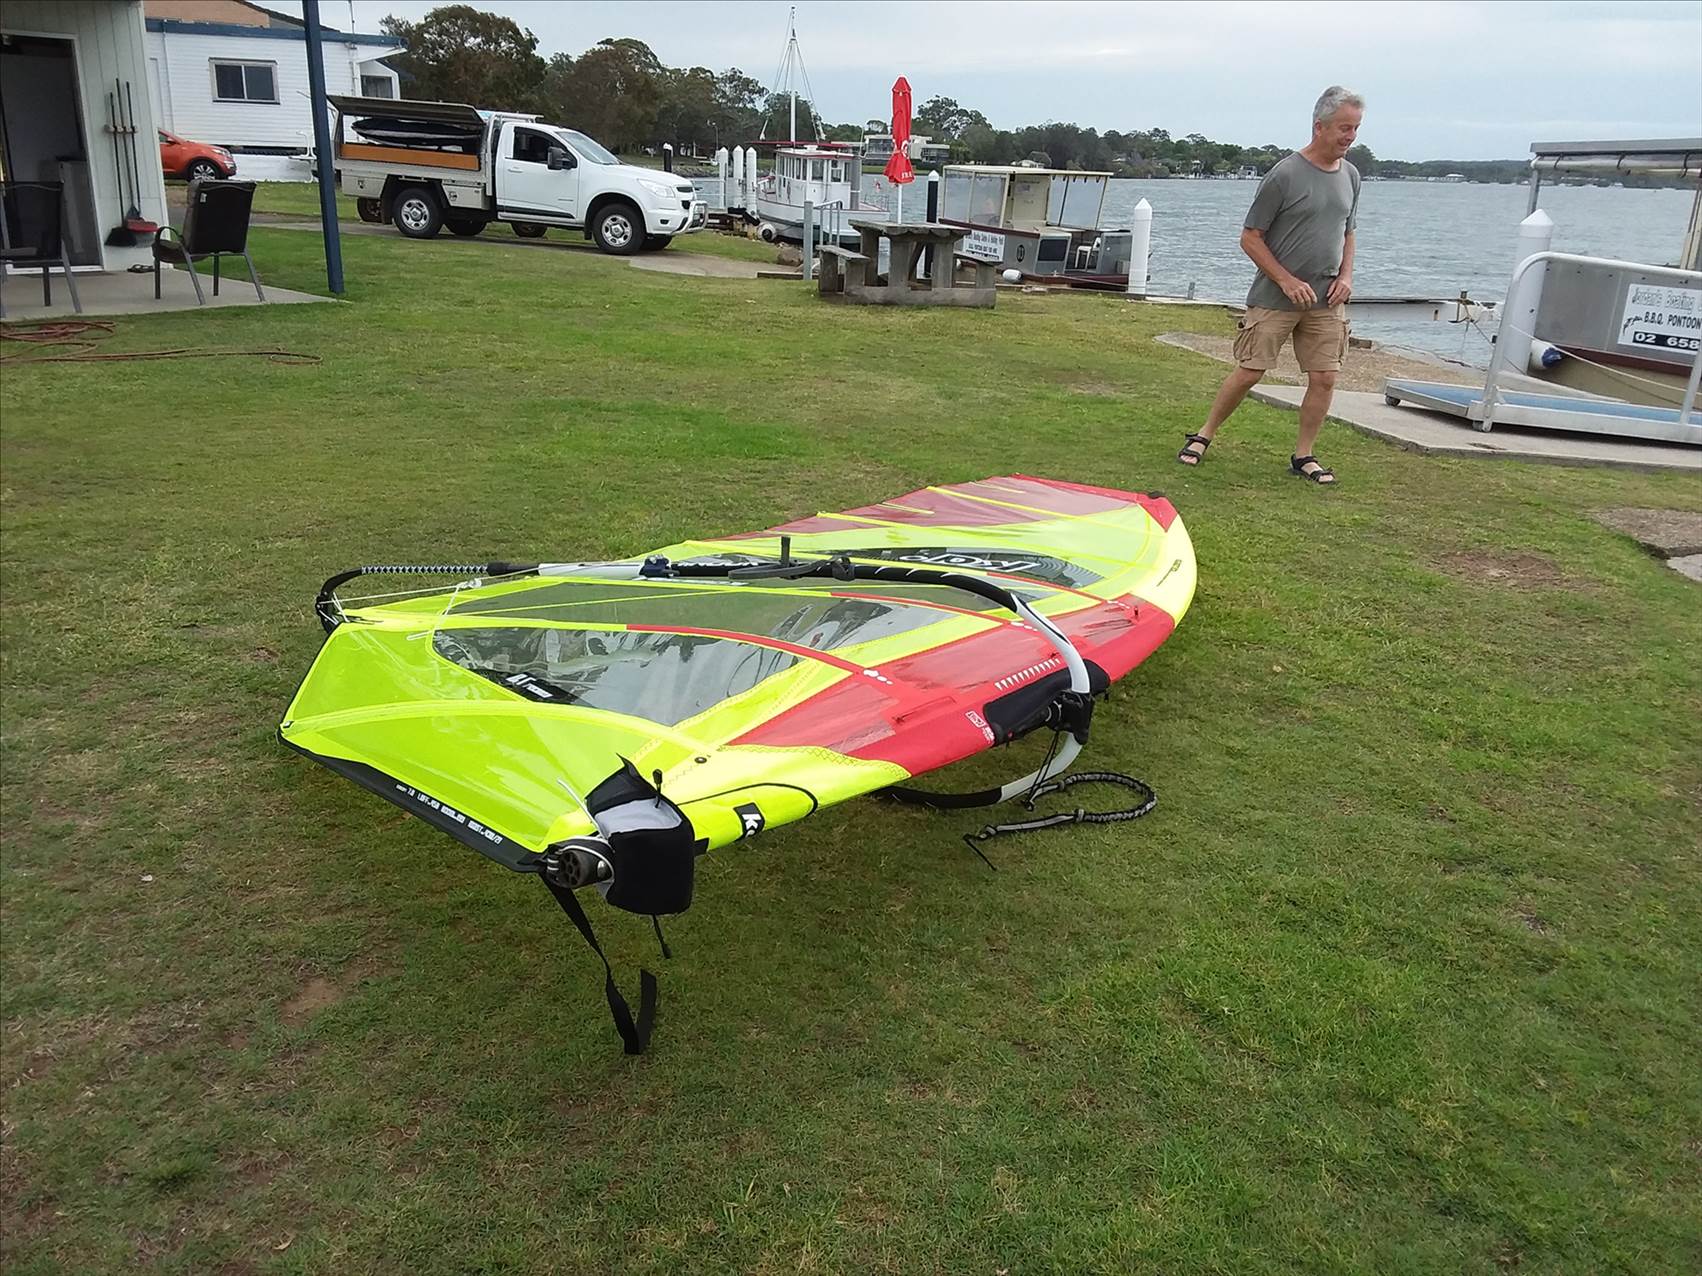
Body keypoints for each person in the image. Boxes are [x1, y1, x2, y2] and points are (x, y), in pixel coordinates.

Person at [1178, 86, 1364, 485]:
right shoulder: (1285, 174)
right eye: (1344, 128)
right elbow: (1250, 237)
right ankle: (1204, 435)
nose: (1350, 137)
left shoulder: (1351, 176)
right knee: (1250, 371)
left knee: (1325, 377)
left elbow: (1348, 232)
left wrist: (1346, 277)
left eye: (1355, 129)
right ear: (1319, 126)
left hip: (1327, 299)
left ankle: (1304, 455)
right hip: (1275, 297)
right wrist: (1286, 279)